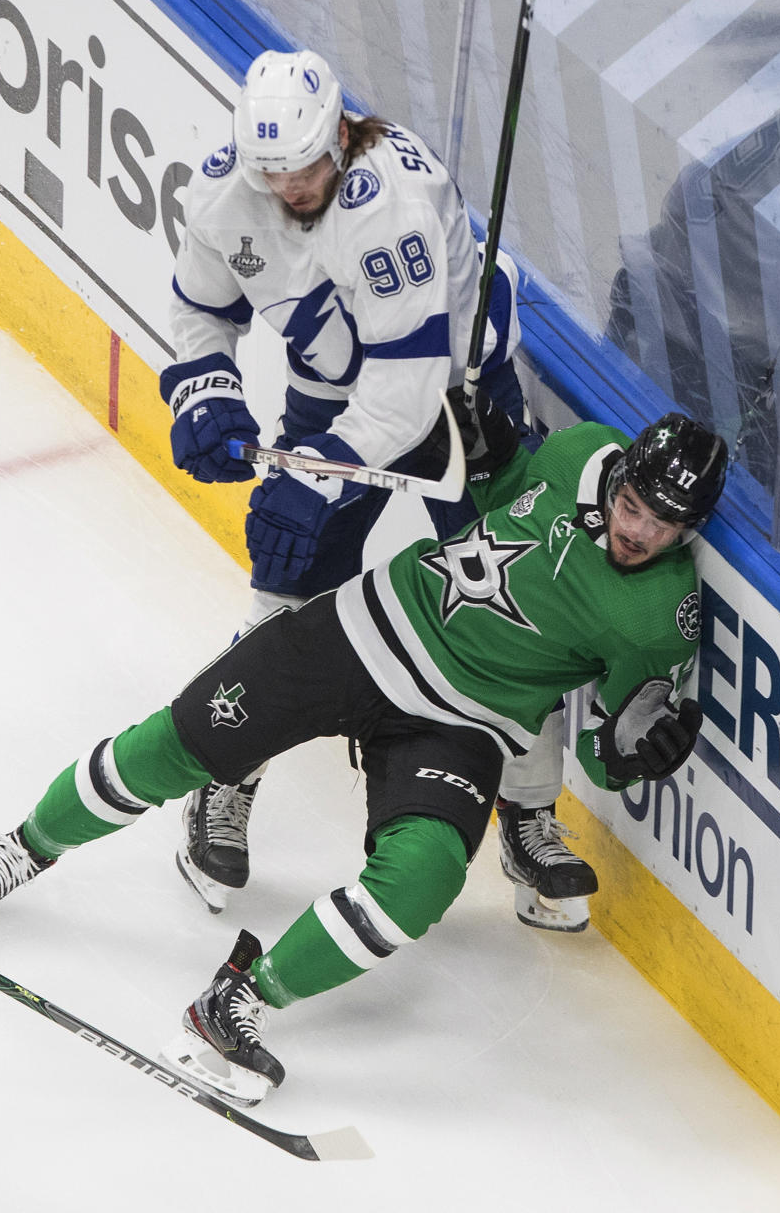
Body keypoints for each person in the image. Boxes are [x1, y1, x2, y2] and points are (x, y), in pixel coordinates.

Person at [0, 411, 727, 1107]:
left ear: (689, 530)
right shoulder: (584, 451)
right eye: (633, 507)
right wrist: (484, 445)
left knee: (422, 879)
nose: (639, 531)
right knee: (179, 743)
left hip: (466, 724)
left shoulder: (663, 617)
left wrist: (640, 750)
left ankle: (239, 1000)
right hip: (366, 627)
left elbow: (611, 745)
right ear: (619, 474)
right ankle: (24, 847)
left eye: (663, 525)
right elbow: (499, 486)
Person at [160, 45, 546, 915]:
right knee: (282, 599)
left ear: (338, 132)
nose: (291, 190)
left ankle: (528, 809)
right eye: (274, 175)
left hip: (454, 400)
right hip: (333, 393)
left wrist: (315, 477)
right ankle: (224, 776)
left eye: (302, 169)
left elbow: (405, 392)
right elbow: (197, 308)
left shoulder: (388, 205)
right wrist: (208, 391)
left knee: (516, 604)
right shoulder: (231, 190)